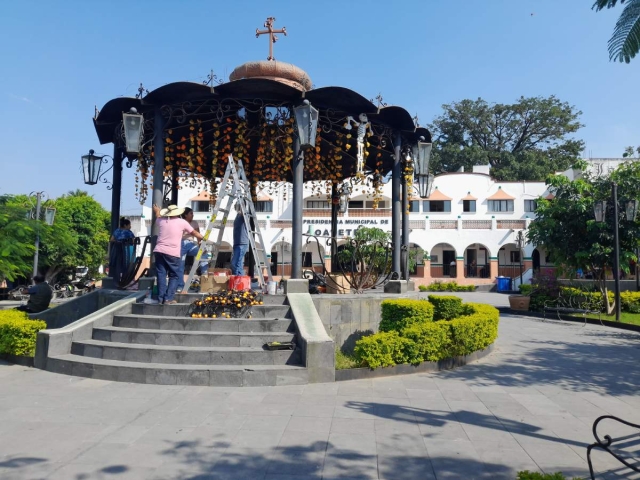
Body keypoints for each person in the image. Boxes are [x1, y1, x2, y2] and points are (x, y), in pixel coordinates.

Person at [152, 204, 204, 305]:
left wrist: (157, 210)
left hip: (159, 250)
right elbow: (194, 232)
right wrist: (202, 238)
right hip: (172, 253)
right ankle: (168, 299)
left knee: (161, 275)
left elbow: (158, 216)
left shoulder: (162, 220)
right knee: (174, 275)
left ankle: (160, 299)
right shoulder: (182, 222)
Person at [176, 207, 201, 293]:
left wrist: (200, 244)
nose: (193, 215)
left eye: (193, 213)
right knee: (181, 265)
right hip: (182, 243)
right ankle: (180, 285)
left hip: (191, 244)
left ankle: (204, 274)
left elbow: (197, 234)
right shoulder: (181, 222)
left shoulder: (194, 223)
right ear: (186, 215)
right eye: (191, 213)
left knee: (203, 254)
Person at [109, 218, 136, 284]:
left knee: (117, 266)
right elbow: (133, 242)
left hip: (116, 250)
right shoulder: (129, 232)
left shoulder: (117, 231)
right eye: (129, 225)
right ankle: (125, 281)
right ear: (125, 225)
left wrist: (117, 241)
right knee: (127, 266)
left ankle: (117, 281)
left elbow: (111, 240)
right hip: (126, 251)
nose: (130, 226)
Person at [231, 201, 249, 276]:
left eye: (237, 205)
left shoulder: (244, 214)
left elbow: (244, 214)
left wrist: (242, 203)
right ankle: (240, 283)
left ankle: (238, 282)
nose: (236, 206)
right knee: (238, 264)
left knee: (235, 264)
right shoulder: (237, 215)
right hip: (237, 243)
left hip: (242, 243)